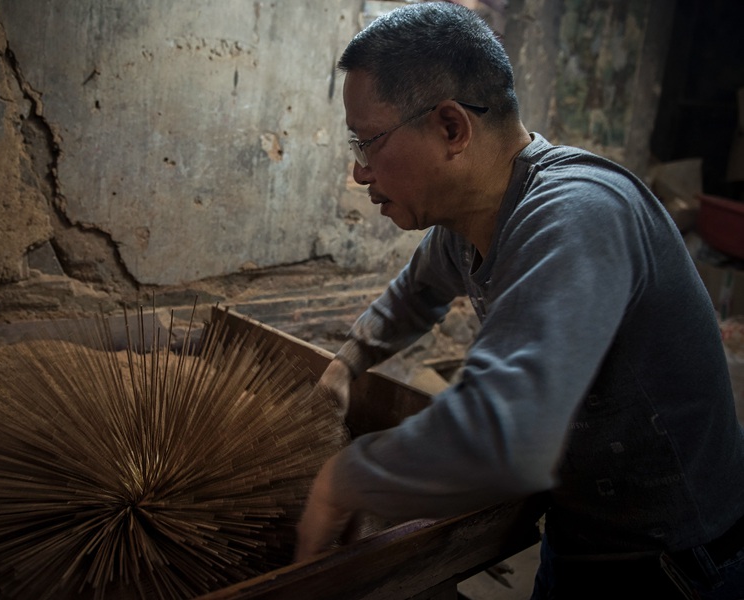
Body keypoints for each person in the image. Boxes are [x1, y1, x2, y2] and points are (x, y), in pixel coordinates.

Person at [293, 3, 744, 599]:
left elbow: (507, 434)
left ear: (451, 128)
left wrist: (346, 478)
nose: (359, 172)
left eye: (369, 142)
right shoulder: (466, 225)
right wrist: (348, 362)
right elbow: (416, 290)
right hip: (579, 538)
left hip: (674, 567)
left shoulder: (575, 214)